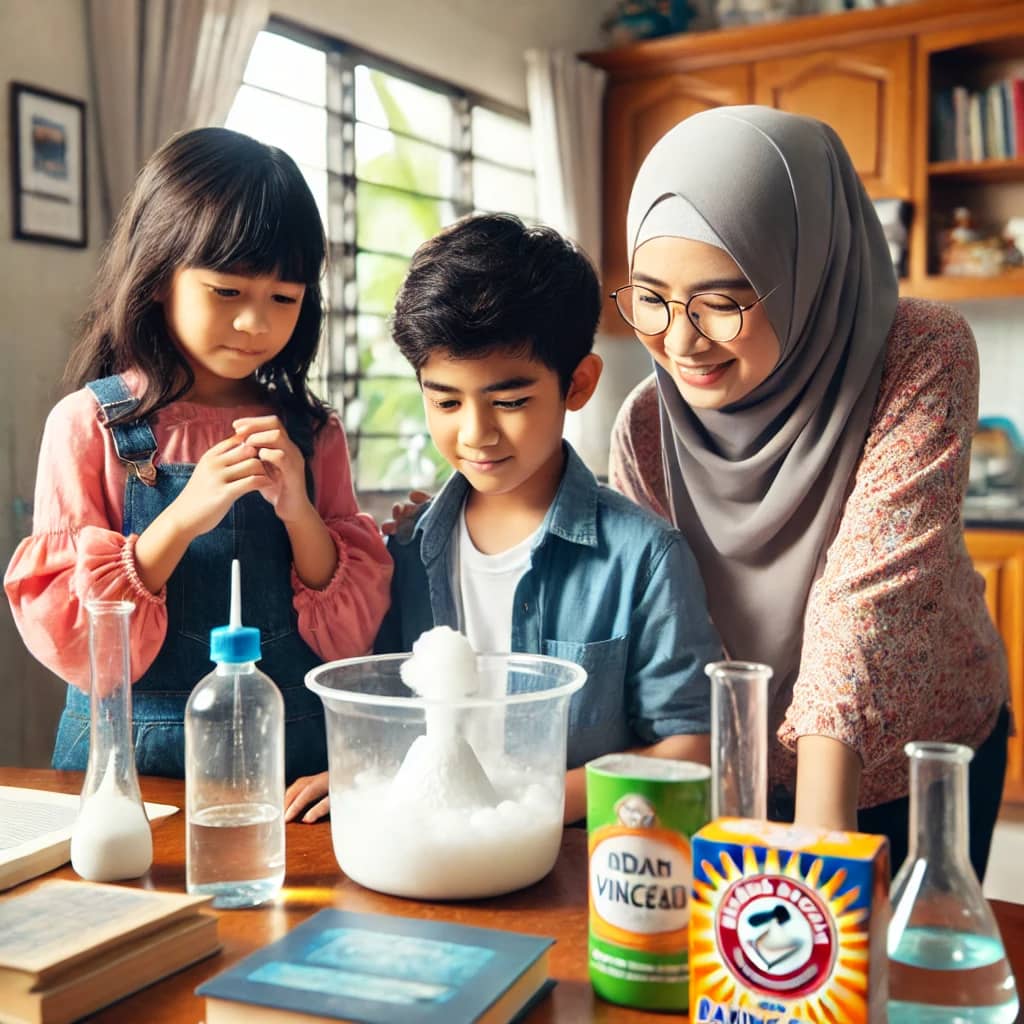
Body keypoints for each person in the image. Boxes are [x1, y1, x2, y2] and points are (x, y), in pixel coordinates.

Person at [607, 105, 1010, 878]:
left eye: (723, 302)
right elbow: (667, 617)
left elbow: (868, 589)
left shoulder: (922, 352)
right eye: (651, 297)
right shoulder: (647, 423)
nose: (680, 342)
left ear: (807, 272)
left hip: (913, 758)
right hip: (734, 768)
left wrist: (822, 829)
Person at [284, 212, 722, 825]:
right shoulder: (404, 550)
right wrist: (369, 777)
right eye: (444, 400)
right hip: (422, 854)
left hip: (568, 870)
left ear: (579, 384)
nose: (476, 433)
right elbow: (386, 717)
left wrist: (520, 804)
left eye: (510, 401)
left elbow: (690, 750)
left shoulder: (644, 559)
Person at [5, 127, 392, 781]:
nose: (255, 323)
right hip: (127, 770)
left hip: (291, 767)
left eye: (284, 299)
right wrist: (184, 516)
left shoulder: (313, 433)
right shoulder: (90, 426)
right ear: (160, 278)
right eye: (227, 292)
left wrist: (298, 511)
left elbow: (350, 638)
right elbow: (75, 639)